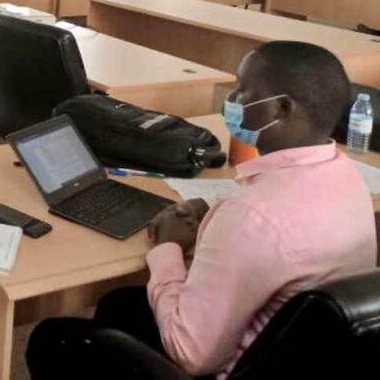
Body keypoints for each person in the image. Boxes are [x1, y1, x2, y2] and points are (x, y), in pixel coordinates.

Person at [26, 41, 375, 379]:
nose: (232, 100)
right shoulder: (345, 175)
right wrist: (214, 211)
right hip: (304, 356)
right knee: (121, 304)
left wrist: (168, 247)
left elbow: (190, 354)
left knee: (54, 337)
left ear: (280, 109)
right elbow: (279, 225)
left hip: (234, 364)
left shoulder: (251, 217)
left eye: (243, 91)